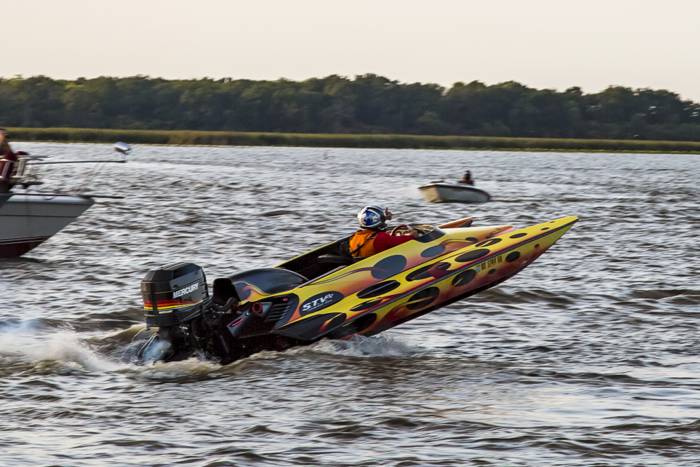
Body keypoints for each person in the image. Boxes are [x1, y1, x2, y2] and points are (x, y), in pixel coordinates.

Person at [348, 206, 417, 259]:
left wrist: (385, 218)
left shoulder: (355, 236)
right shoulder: (381, 238)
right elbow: (407, 239)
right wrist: (412, 234)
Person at [0, 128, 19, 193]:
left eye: (6, 137)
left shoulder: (7, 150)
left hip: (4, 177)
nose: (6, 140)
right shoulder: (6, 148)